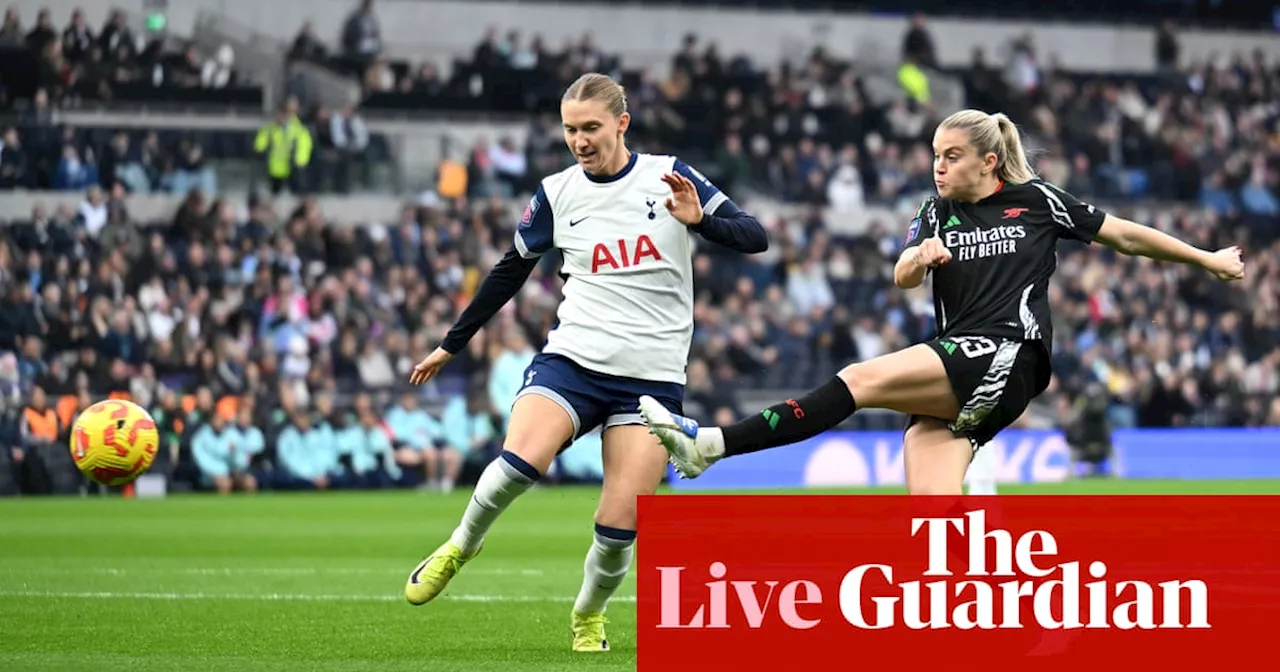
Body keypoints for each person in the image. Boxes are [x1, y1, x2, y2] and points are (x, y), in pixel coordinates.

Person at [640, 108, 1245, 495]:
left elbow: (1127, 236)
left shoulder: (1037, 201)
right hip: (957, 359)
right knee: (934, 522)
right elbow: (902, 275)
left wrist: (1207, 258)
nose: (938, 167)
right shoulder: (935, 211)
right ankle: (1005, 619)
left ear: (987, 160)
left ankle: (710, 446)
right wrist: (919, 257)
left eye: (950, 157)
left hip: (1011, 352)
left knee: (858, 379)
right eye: (934, 156)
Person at [402, 72, 768, 652]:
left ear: (622, 124)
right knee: (521, 462)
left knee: (621, 524)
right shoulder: (557, 193)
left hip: (650, 381)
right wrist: (453, 341)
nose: (579, 140)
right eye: (571, 129)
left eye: (591, 127)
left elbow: (755, 236)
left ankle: (588, 615)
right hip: (574, 359)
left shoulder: (668, 176)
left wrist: (701, 222)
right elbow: (510, 268)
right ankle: (461, 545)